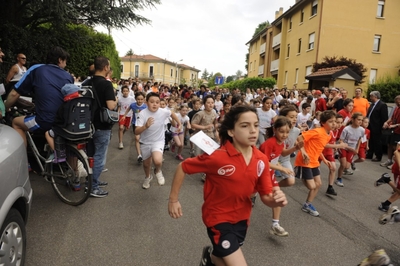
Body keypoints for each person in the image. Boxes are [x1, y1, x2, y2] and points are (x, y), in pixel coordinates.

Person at [168, 105, 288, 266]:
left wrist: (276, 201)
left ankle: (209, 258)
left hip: (242, 218)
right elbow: (183, 167)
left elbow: (266, 196)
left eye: (256, 125)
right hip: (217, 218)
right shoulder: (218, 157)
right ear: (231, 131)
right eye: (245, 126)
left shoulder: (262, 160)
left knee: (221, 258)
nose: (253, 130)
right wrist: (173, 200)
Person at [5, 46, 74, 146]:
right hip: (63, 121)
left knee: (16, 122)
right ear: (60, 60)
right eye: (65, 61)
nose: (65, 64)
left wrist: (5, 108)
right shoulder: (68, 76)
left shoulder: (37, 69)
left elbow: (14, 93)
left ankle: (24, 161)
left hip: (44, 121)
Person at [135, 92, 181, 189]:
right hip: (145, 142)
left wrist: (179, 123)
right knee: (146, 164)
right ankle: (148, 177)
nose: (155, 104)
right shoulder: (142, 114)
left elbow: (172, 114)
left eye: (157, 102)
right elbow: (136, 131)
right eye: (152, 102)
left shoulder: (163, 111)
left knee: (158, 160)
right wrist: (145, 126)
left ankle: (158, 171)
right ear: (146, 102)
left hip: (158, 141)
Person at [295, 110, 336, 217]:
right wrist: (303, 153)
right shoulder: (317, 131)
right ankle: (299, 174)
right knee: (312, 186)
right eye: (331, 121)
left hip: (314, 162)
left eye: (334, 121)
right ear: (323, 122)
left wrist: (325, 160)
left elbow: (319, 148)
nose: (334, 124)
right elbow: (298, 138)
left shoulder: (329, 135)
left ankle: (307, 204)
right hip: (305, 161)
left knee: (318, 184)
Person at [87, 56, 117, 198]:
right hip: (102, 124)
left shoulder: (86, 82)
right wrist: (116, 99)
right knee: (100, 156)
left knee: (91, 154)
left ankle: (93, 180)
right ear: (105, 67)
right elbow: (111, 105)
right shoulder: (106, 84)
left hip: (87, 124)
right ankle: (93, 187)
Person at [259, 117, 293, 237]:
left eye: (287, 132)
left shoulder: (280, 142)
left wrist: (296, 148)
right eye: (281, 131)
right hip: (258, 174)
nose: (284, 135)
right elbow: (263, 162)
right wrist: (281, 168)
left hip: (269, 174)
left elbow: (281, 153)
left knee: (278, 197)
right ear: (275, 130)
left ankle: (275, 225)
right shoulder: (269, 144)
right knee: (245, 196)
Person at [335, 112, 365, 187]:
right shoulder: (347, 129)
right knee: (343, 164)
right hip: (344, 147)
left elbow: (360, 139)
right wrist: (348, 147)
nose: (360, 121)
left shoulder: (362, 130)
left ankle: (340, 158)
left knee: (347, 167)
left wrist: (357, 149)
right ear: (353, 120)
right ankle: (339, 179)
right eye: (358, 119)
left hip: (352, 149)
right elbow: (340, 141)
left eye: (361, 120)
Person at [375, 141, 400, 213]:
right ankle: (385, 204)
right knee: (398, 191)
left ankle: (386, 179)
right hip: (398, 170)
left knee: (398, 191)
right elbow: (396, 153)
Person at [123, 91, 147, 163]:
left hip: (144, 125)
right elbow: (128, 109)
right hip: (135, 124)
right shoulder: (133, 105)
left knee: (143, 140)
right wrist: (124, 115)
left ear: (144, 99)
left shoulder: (145, 106)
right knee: (137, 139)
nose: (140, 101)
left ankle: (145, 154)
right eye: (138, 99)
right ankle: (139, 155)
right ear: (135, 99)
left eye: (141, 99)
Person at [366, 91, 388, 162]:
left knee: (377, 141)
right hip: (369, 125)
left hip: (377, 126)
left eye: (371, 96)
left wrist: (382, 126)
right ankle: (369, 154)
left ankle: (378, 156)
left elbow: (384, 117)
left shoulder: (382, 105)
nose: (370, 98)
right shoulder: (372, 104)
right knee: (370, 140)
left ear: (375, 97)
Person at [380, 95, 400, 168]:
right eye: (396, 103)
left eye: (398, 102)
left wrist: (395, 125)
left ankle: (396, 162)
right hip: (393, 130)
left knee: (396, 147)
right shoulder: (396, 108)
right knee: (389, 145)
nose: (397, 104)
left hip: (398, 131)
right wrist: (386, 122)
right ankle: (389, 160)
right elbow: (392, 118)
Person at [117, 85, 135, 149]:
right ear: (122, 92)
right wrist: (118, 113)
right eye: (124, 91)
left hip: (129, 115)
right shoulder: (119, 98)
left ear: (129, 91)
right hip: (122, 114)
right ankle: (120, 142)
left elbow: (134, 107)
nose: (125, 92)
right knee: (121, 127)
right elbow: (119, 106)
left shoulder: (132, 99)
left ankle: (121, 134)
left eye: (126, 91)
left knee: (126, 129)